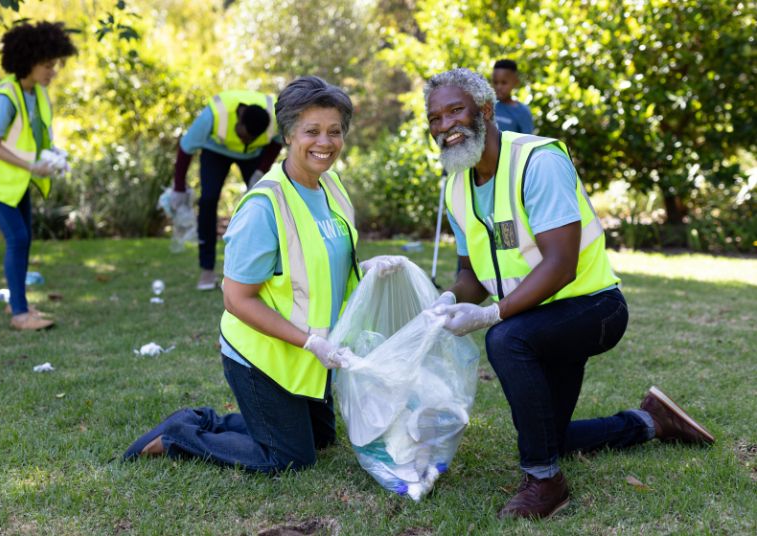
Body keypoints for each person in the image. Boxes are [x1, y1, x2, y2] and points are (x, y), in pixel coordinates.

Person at [424, 68, 714, 520]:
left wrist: (490, 316)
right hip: (536, 319)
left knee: (505, 339)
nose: (445, 126)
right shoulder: (456, 183)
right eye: (435, 118)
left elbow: (560, 265)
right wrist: (448, 300)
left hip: (592, 308)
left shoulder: (538, 161)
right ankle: (650, 421)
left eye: (454, 111)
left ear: (484, 110)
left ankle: (545, 482)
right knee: (550, 435)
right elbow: (472, 273)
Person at [124, 76, 401, 473]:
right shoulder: (263, 206)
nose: (325, 142)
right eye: (312, 131)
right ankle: (178, 436)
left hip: (308, 354)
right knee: (289, 458)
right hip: (263, 356)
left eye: (335, 132)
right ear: (288, 134)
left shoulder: (332, 186)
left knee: (322, 439)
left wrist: (366, 268)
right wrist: (310, 343)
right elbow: (237, 300)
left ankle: (208, 420)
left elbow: (323, 261)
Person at [0, 21, 77, 331]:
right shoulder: (4, 97)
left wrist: (55, 155)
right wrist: (32, 167)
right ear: (27, 62)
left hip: (15, 178)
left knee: (23, 239)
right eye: (47, 65)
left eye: (55, 64)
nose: (53, 71)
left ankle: (19, 302)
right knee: (17, 238)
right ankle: (19, 314)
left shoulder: (37, 93)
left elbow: (37, 135)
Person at [170, 89, 284, 290]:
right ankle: (207, 270)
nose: (246, 141)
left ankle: (259, 269)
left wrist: (261, 170)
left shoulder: (277, 116)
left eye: (252, 138)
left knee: (264, 202)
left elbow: (276, 143)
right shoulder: (214, 115)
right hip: (216, 152)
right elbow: (186, 148)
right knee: (208, 200)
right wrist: (179, 188)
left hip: (253, 157)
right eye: (245, 136)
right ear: (239, 121)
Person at [491, 59, 534, 134]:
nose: (499, 87)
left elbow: (528, 142)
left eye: (504, 83)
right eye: (495, 82)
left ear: (515, 82)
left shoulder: (523, 112)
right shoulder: (487, 106)